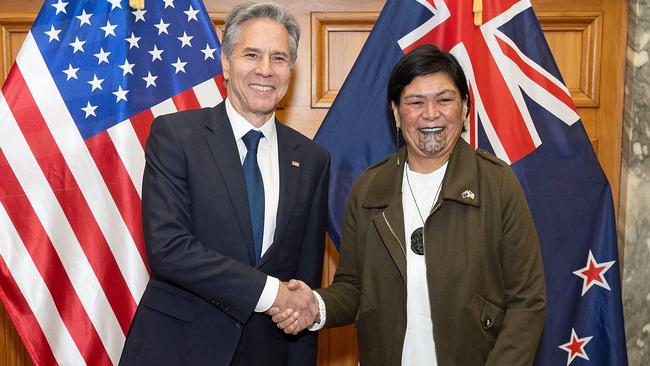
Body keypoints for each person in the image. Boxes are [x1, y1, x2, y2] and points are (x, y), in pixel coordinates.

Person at [271, 44, 546, 365]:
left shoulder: (498, 184)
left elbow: (527, 301)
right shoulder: (369, 188)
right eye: (415, 102)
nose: (431, 113)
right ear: (397, 113)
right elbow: (353, 288)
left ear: (466, 108)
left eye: (444, 100)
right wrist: (316, 305)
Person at [119, 2, 330, 365]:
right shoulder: (176, 136)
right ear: (227, 63)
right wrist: (269, 293)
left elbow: (303, 286)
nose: (265, 70)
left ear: (290, 71)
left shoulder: (312, 160)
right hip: (177, 350)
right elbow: (169, 248)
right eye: (252, 55)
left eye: (278, 58)